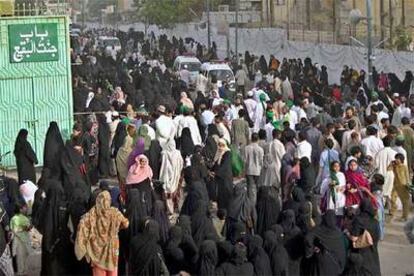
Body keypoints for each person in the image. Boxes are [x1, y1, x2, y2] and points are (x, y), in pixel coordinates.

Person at [75, 191, 129, 276]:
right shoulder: (114, 213)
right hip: (112, 254)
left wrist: (82, 248)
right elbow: (126, 223)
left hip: (97, 254)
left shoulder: (91, 214)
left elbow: (82, 225)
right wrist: (116, 228)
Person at [345, 199, 381, 276]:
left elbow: (354, 238)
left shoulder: (358, 220)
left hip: (361, 251)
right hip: (372, 249)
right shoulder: (375, 221)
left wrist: (347, 233)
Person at [304, 210, 346, 276]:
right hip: (336, 265)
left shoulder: (319, 230)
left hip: (322, 264)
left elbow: (308, 238)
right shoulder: (339, 232)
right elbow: (341, 251)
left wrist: (310, 251)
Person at [10, 204, 32, 275]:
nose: (26, 209)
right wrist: (26, 228)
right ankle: (22, 272)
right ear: (20, 209)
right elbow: (26, 229)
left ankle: (21, 272)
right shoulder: (23, 218)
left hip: (18, 240)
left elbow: (12, 230)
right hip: (22, 241)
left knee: (20, 259)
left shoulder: (13, 218)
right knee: (23, 258)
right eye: (24, 208)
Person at [212, 139, 233, 211]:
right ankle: (221, 210)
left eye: (222, 145)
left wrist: (216, 173)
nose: (220, 147)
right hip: (220, 178)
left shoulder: (227, 153)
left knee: (226, 194)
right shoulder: (219, 153)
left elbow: (225, 166)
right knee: (220, 195)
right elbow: (216, 164)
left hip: (226, 177)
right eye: (219, 145)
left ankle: (227, 210)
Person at [244, 133, 264, 205]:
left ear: (251, 138)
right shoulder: (260, 149)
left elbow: (245, 160)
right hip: (258, 171)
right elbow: (261, 161)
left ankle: (250, 204)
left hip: (249, 170)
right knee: (257, 187)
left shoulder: (247, 148)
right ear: (258, 139)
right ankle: (256, 203)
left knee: (250, 188)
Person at [391, 153, 411, 221]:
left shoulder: (404, 166)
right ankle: (392, 213)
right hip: (396, 185)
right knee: (392, 198)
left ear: (401, 159)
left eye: (398, 159)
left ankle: (405, 216)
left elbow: (407, 175)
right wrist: (391, 164)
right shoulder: (394, 166)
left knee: (405, 201)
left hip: (403, 185)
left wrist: (408, 184)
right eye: (396, 158)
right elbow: (388, 169)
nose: (396, 160)